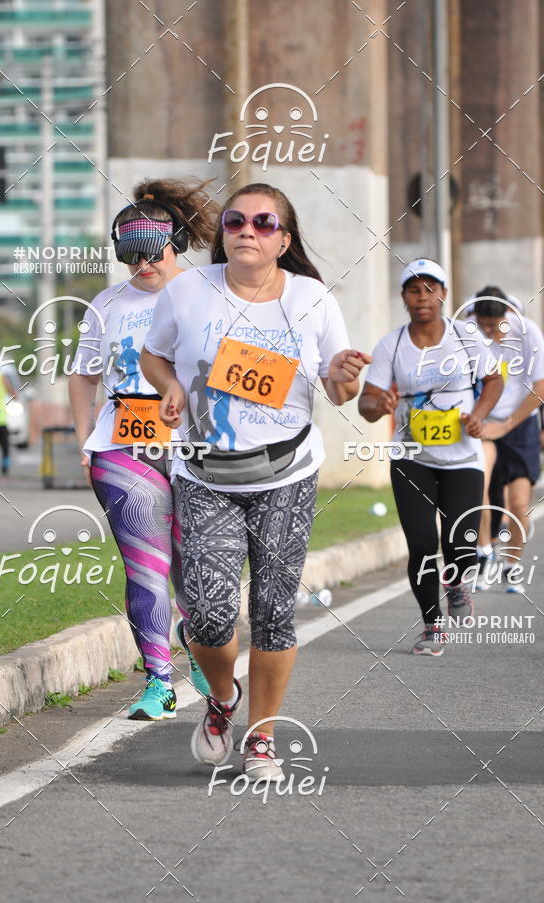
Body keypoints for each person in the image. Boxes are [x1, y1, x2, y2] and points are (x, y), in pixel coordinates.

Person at [140, 182, 370, 779]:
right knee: (210, 614)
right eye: (237, 220)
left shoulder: (312, 300)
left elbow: (340, 389)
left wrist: (344, 375)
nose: (248, 230)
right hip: (205, 472)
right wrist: (170, 388)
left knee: (273, 611)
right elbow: (153, 354)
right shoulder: (188, 290)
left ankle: (261, 738)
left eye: (264, 223)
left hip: (286, 473)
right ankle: (222, 700)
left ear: (283, 240)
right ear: (222, 234)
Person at [69, 179, 216, 719]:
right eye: (129, 258)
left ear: (174, 242)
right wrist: (86, 439)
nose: (141, 267)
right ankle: (159, 681)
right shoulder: (107, 304)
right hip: (124, 444)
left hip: (198, 448)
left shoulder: (207, 291)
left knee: (197, 568)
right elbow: (84, 375)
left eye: (151, 255)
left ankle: (201, 643)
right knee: (146, 569)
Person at [359, 259, 503, 655]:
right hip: (411, 458)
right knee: (422, 543)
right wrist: (381, 403)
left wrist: (478, 416)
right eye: (413, 290)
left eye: (430, 289)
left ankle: (458, 583)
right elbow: (366, 403)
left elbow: (494, 379)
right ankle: (431, 625)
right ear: (404, 297)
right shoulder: (392, 344)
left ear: (442, 293)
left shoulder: (466, 336)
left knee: (459, 542)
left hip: (462, 458)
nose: (422, 297)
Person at [475, 292, 544, 591]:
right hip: (483, 422)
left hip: (519, 424)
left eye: (494, 326)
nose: (489, 333)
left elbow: (543, 387)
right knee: (479, 491)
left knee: (519, 503)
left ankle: (511, 565)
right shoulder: (466, 332)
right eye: (483, 325)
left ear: (507, 316)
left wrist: (508, 424)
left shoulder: (527, 331)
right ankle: (484, 556)